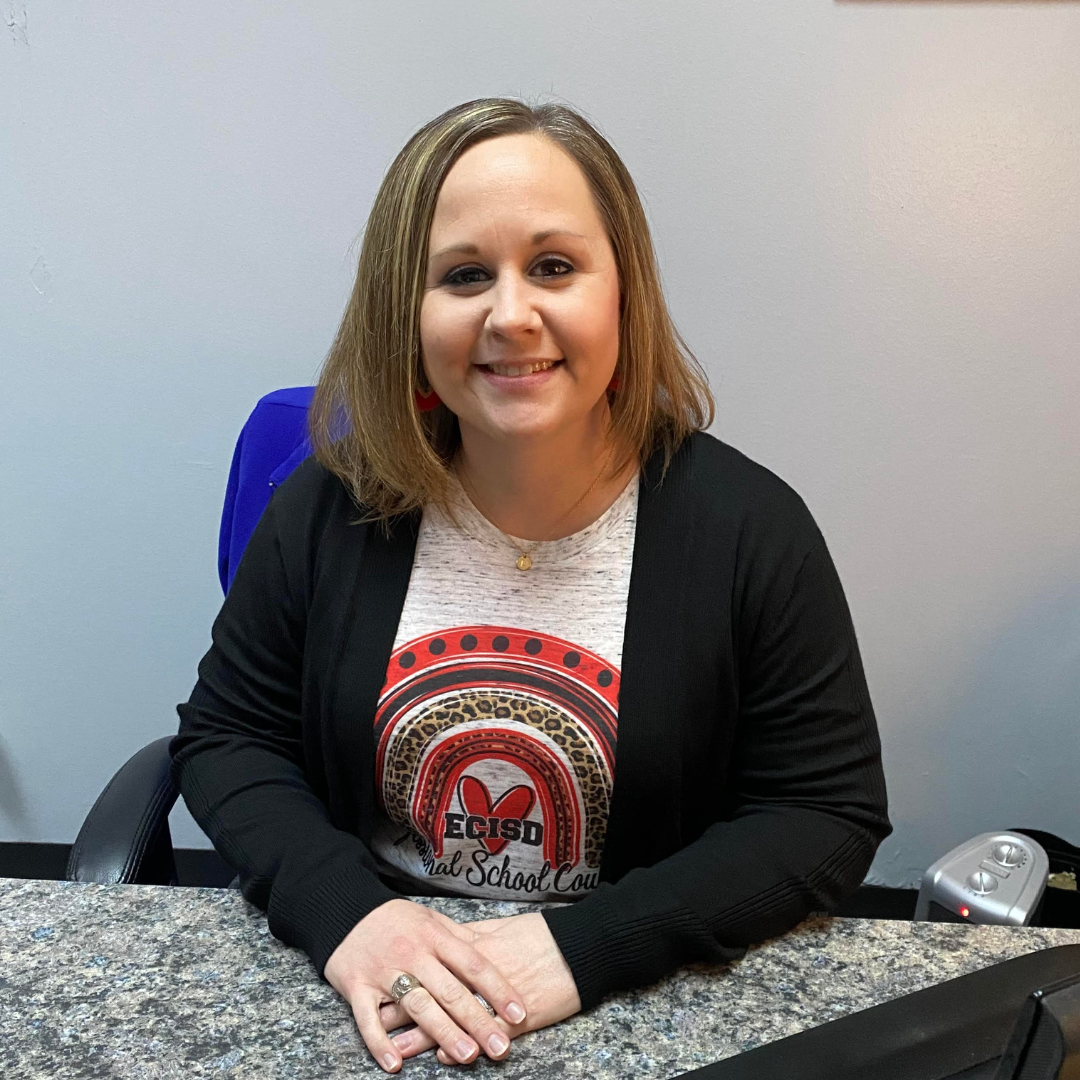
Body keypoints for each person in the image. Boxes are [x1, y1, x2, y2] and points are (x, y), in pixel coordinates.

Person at [171, 97, 891, 1073]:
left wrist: (580, 946)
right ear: (408, 313)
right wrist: (352, 917)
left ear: (621, 291)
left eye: (553, 266)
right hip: (379, 990)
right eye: (465, 275)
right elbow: (226, 736)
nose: (512, 314)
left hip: (618, 997)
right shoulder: (329, 503)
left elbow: (823, 813)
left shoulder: (750, 529)